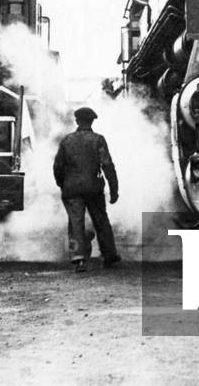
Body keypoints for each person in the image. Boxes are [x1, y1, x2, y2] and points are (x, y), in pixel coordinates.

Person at [53, 107, 121, 273]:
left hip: (72, 188)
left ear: (76, 121)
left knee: (76, 221)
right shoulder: (98, 140)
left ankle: (79, 259)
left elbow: (58, 166)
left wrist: (62, 183)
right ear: (92, 122)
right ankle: (109, 255)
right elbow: (107, 165)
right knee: (101, 220)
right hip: (93, 187)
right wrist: (114, 189)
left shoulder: (67, 141)